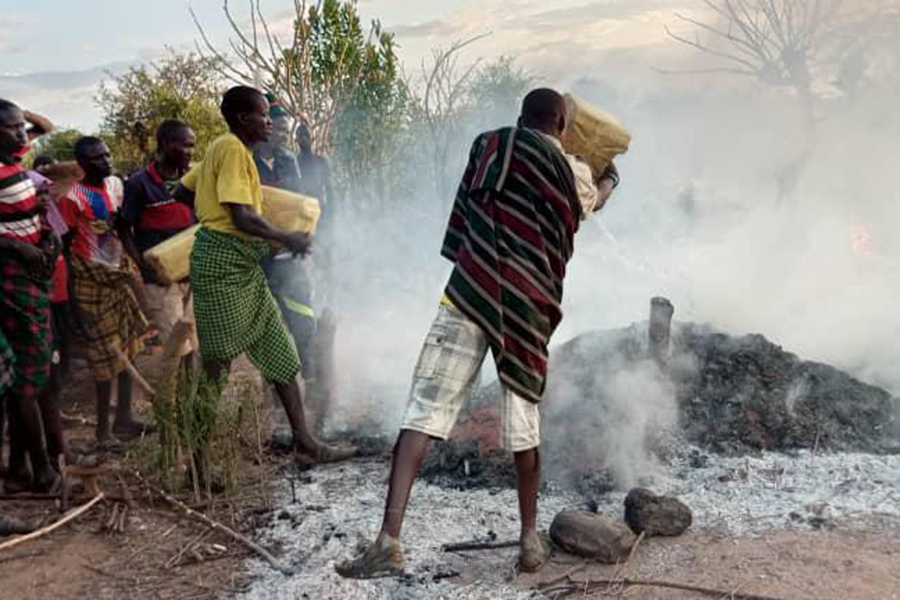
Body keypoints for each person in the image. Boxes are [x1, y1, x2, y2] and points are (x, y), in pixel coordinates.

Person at [336, 88, 620, 578]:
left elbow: (466, 209)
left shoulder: (489, 145)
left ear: (521, 117)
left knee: (422, 411)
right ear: (564, 126)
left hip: (471, 291)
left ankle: (388, 541)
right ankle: (530, 543)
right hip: (527, 309)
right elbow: (590, 203)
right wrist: (610, 175)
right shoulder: (573, 171)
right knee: (524, 423)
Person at [179, 85, 355, 465]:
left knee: (281, 355)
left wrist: (208, 217)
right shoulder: (228, 148)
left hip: (243, 266)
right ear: (244, 118)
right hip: (222, 268)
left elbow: (183, 191)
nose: (271, 122)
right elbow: (242, 215)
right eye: (263, 114)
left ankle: (305, 441)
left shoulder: (230, 151)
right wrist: (286, 236)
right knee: (216, 368)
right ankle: (196, 464)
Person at [61, 136, 150, 446]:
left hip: (117, 279)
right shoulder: (71, 198)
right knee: (103, 359)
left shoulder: (116, 185)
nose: (107, 160)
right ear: (83, 164)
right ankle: (102, 431)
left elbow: (123, 229)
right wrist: (72, 297)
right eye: (98, 158)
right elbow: (62, 244)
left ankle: (124, 418)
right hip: (89, 284)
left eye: (108, 154)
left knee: (129, 348)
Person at [0, 98, 62, 492]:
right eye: (14, 128)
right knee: (28, 381)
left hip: (31, 282)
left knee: (28, 377)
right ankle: (42, 471)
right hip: (12, 286)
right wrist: (20, 248)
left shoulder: (13, 167)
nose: (25, 135)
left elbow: (44, 125)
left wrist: (47, 236)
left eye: (24, 127)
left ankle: (23, 466)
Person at [121, 119, 198, 360]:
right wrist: (144, 267)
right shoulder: (138, 184)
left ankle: (187, 397)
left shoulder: (193, 179)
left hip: (191, 275)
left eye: (192, 146)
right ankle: (172, 397)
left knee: (192, 344)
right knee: (177, 347)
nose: (190, 152)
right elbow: (123, 229)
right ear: (165, 144)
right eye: (185, 146)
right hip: (161, 282)